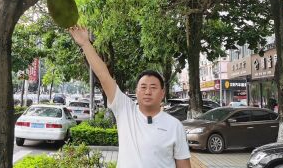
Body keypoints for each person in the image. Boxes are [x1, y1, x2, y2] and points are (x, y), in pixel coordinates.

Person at [69, 26, 191, 168]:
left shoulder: (175, 126)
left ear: (162, 93)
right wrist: (85, 44)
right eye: (143, 87)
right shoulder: (125, 110)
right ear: (136, 91)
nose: (148, 92)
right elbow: (104, 76)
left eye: (153, 87)